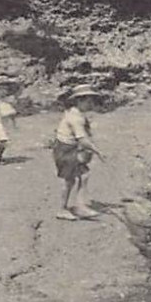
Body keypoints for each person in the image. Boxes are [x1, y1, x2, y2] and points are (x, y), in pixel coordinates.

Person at [50, 89, 102, 220]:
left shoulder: (76, 113)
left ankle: (80, 206)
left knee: (84, 176)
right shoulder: (75, 118)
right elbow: (82, 139)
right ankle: (62, 209)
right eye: (88, 101)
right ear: (79, 101)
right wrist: (97, 150)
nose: (91, 104)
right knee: (69, 180)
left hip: (70, 148)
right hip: (65, 150)